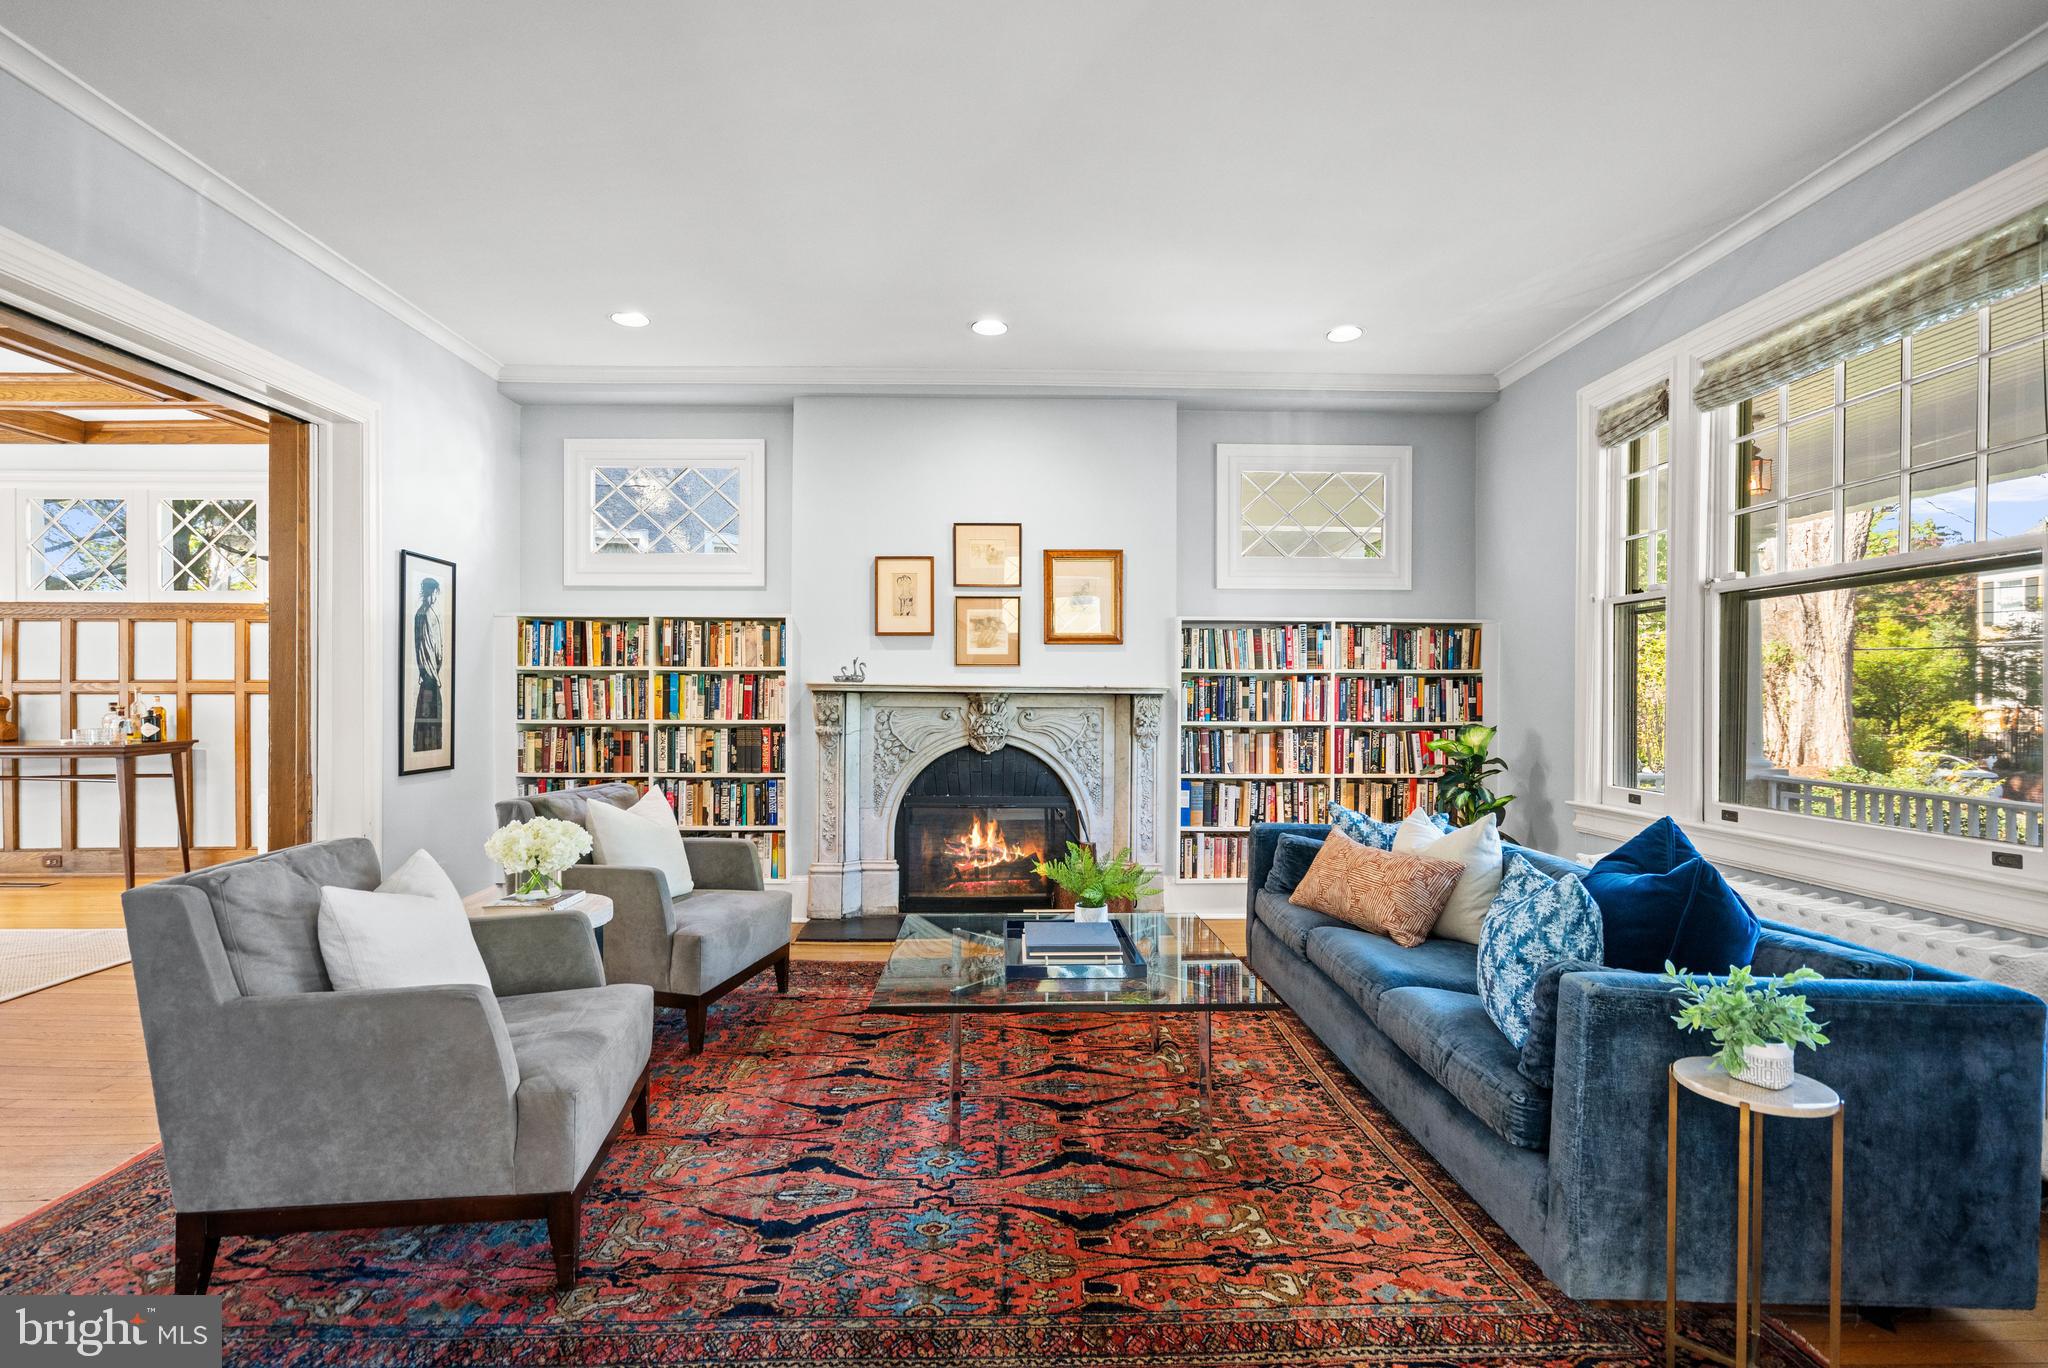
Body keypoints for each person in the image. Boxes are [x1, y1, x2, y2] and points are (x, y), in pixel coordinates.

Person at [412, 577, 444, 753]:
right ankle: (427, 747)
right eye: (435, 593)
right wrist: (435, 675)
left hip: (428, 676)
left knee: (428, 718)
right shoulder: (426, 615)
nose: (437, 597)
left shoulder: (424, 613)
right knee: (430, 717)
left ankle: (427, 747)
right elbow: (428, 647)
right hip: (430, 678)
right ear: (431, 593)